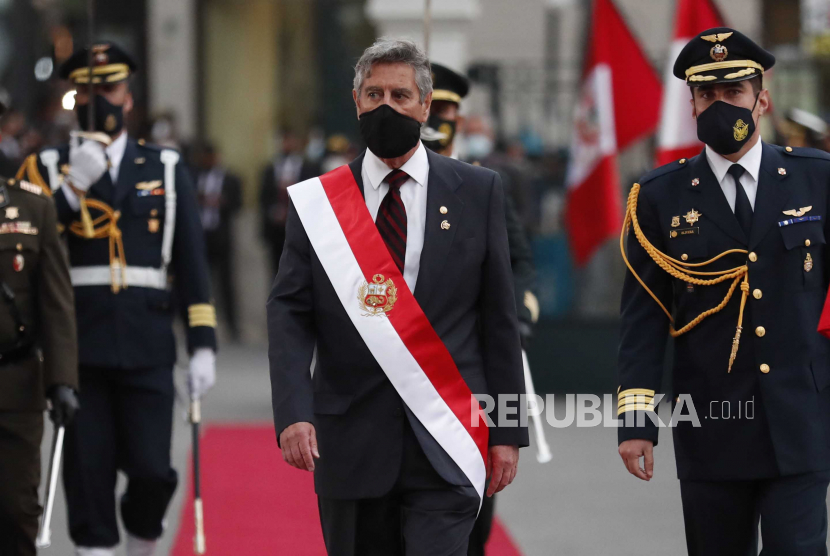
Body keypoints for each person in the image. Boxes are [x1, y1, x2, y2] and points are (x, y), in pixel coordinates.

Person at [268, 38, 528, 556]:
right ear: (357, 101)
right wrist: (294, 411)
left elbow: (498, 317)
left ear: (426, 106)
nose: (386, 106)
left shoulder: (478, 192)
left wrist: (507, 430)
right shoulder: (318, 203)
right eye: (375, 93)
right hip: (351, 442)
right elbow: (290, 312)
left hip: (448, 434)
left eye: (401, 95)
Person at [618, 27, 830, 555]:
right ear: (691, 104)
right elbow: (644, 317)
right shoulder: (658, 196)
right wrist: (635, 420)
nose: (720, 105)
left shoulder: (816, 179)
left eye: (733, 93)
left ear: (762, 100)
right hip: (712, 425)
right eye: (707, 95)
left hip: (801, 421)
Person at [16, 42, 217, 556]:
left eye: (108, 88)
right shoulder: (46, 168)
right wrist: (70, 190)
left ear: (128, 95)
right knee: (89, 475)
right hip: (76, 345)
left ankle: (142, 540)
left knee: (154, 471)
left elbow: (191, 264)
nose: (98, 99)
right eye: (85, 90)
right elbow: (20, 249)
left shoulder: (165, 167)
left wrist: (202, 344)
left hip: (147, 343)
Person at [422, 62, 539, 556]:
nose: (439, 120)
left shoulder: (481, 185)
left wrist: (516, 317)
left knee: (472, 510)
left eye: (448, 110)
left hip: (467, 366)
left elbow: (518, 264)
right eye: (433, 108)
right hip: (397, 359)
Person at [0, 103, 79, 554]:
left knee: (15, 510)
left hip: (15, 385)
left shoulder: (31, 206)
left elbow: (56, 303)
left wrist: (62, 381)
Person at [196, 143, 242, 341]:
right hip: (201, 235)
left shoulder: (230, 178)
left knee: (226, 282)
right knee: (201, 282)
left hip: (221, 236)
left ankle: (232, 325)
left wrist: (222, 202)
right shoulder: (196, 175)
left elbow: (237, 203)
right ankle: (201, 324)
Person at [259, 129, 321, 277]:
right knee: (276, 269)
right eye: (284, 141)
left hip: (302, 227)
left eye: (290, 140)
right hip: (277, 229)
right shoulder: (270, 168)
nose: (287, 144)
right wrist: (273, 212)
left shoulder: (309, 167)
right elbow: (264, 197)